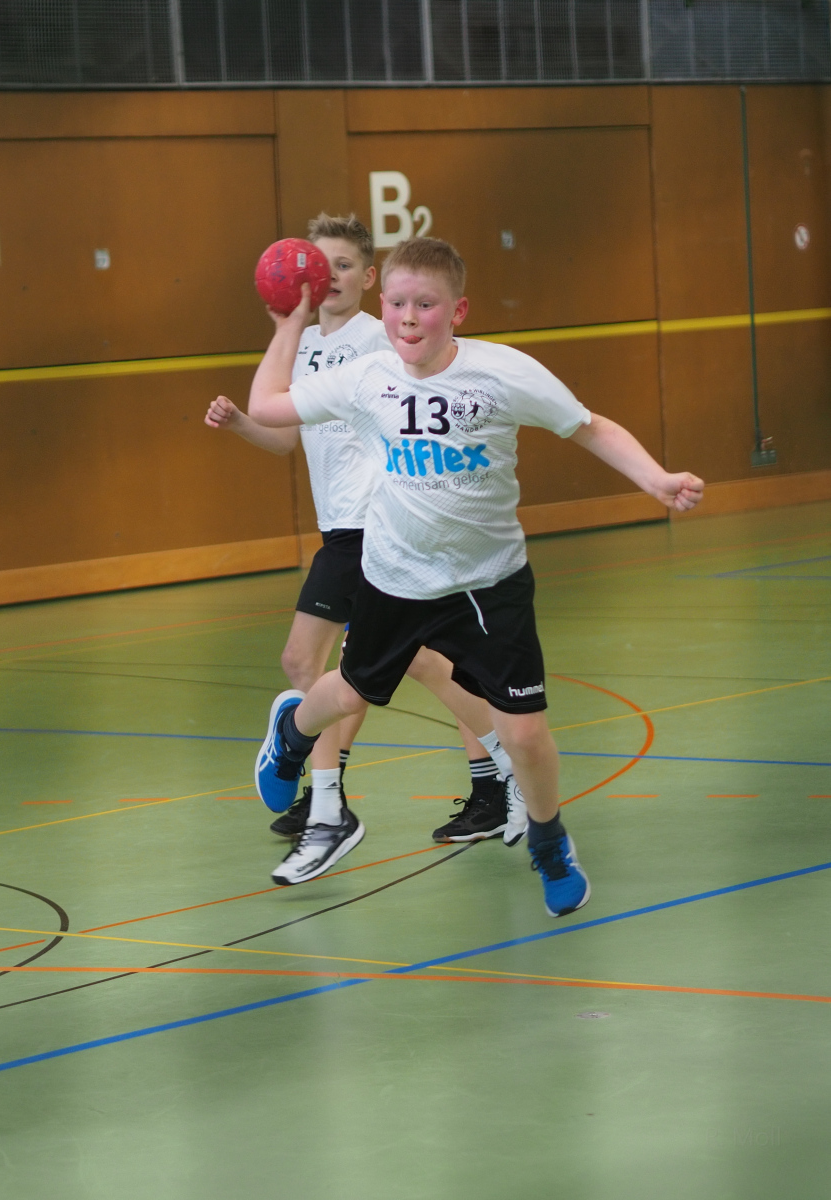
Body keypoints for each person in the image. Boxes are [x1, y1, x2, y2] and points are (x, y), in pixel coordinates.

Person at [246, 236, 704, 917]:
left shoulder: (502, 373)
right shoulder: (366, 377)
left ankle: (549, 841)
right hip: (395, 579)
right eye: (396, 303)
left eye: (425, 305)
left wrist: (655, 478)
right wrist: (289, 326)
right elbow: (267, 406)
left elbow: (589, 426)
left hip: (489, 584)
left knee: (525, 733)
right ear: (382, 303)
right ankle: (290, 738)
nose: (408, 317)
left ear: (457, 311)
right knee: (345, 691)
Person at [206, 216, 527, 886]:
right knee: (422, 662)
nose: (327, 279)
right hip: (341, 528)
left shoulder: (380, 337)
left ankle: (326, 800)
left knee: (309, 661)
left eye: (343, 266)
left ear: (369, 277)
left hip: (376, 520)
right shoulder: (304, 346)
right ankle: (499, 768)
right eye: (317, 269)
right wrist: (241, 422)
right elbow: (284, 436)